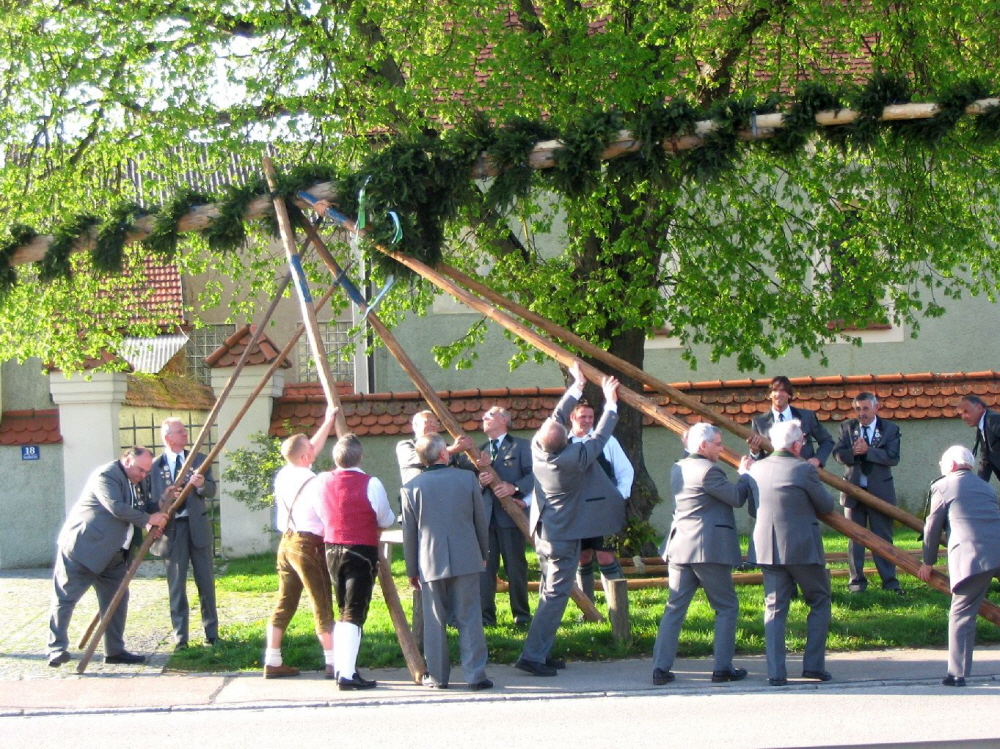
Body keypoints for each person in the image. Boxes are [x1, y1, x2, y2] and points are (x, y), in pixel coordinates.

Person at [515, 361, 624, 677]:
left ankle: (542, 650)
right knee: (555, 596)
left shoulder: (539, 447)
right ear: (565, 441)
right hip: (562, 536)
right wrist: (611, 401)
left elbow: (556, 418)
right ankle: (533, 655)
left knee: (548, 589)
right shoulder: (573, 459)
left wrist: (577, 385)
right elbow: (601, 435)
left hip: (544, 528)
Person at [651, 423, 757, 685]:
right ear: (703, 445)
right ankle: (722, 668)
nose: (721, 449)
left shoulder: (678, 467)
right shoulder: (709, 470)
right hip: (708, 548)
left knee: (674, 607)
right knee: (726, 606)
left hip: (680, 547)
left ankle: (660, 668)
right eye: (718, 444)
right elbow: (735, 497)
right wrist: (745, 474)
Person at [47, 446, 168, 667]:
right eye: (141, 470)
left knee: (117, 601)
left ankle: (114, 651)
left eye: (147, 472)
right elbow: (116, 507)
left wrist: (159, 505)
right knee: (66, 598)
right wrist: (149, 520)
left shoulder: (139, 480)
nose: (143, 475)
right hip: (83, 549)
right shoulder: (105, 475)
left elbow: (143, 508)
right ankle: (56, 648)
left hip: (115, 555)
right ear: (128, 459)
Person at [401, 434, 492, 690]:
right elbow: (479, 521)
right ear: (443, 454)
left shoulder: (410, 488)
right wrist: (483, 553)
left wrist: (411, 569)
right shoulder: (467, 479)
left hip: (429, 560)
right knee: (470, 616)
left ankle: (439, 677)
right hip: (467, 556)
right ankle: (476, 676)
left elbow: (410, 534)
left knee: (435, 621)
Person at [750, 419, 835, 687]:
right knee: (820, 599)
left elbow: (753, 508)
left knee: (774, 608)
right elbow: (826, 504)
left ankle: (775, 672)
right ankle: (813, 666)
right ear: (797, 445)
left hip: (767, 547)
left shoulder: (757, 469)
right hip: (802, 548)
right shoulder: (803, 469)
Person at [263, 405, 339, 679]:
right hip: (308, 544)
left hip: (286, 543)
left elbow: (308, 449)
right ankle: (333, 662)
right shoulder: (313, 480)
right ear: (306, 456)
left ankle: (272, 660)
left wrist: (328, 420)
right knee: (322, 601)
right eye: (310, 449)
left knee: (285, 601)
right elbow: (324, 513)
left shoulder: (284, 474)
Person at [318, 433, 396, 690]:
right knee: (353, 611)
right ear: (360, 456)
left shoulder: (322, 481)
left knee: (343, 609)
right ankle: (347, 675)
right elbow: (385, 518)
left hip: (331, 548)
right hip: (360, 549)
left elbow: (320, 512)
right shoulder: (370, 483)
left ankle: (343, 668)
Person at [917, 446, 1000, 686]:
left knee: (961, 613)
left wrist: (928, 562)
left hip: (973, 556)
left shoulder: (942, 486)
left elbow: (932, 528)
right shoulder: (985, 486)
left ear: (951, 465)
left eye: (943, 463)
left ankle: (957, 674)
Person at [146, 418, 219, 649]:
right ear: (168, 437)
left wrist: (199, 485)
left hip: (197, 526)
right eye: (180, 431)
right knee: (177, 585)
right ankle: (181, 638)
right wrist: (160, 504)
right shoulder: (155, 467)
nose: (185, 434)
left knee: (206, 581)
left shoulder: (197, 459)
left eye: (185, 431)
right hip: (172, 531)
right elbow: (148, 502)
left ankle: (212, 634)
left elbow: (211, 490)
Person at [832, 392, 903, 594]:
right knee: (855, 538)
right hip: (853, 491)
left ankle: (890, 582)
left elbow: (893, 457)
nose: (861, 413)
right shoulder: (847, 427)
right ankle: (856, 583)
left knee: (883, 538)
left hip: (880, 492)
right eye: (858, 409)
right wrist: (853, 452)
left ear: (875, 408)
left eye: (865, 409)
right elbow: (838, 454)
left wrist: (868, 451)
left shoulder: (889, 429)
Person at [568, 398, 634, 603]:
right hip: (576, 512)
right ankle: (589, 608)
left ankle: (618, 607)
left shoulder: (607, 441)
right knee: (583, 557)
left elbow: (626, 471)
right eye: (582, 417)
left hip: (603, 512)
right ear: (572, 417)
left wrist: (618, 497)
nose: (587, 421)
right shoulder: (563, 444)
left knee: (606, 557)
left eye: (591, 417)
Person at [472, 406, 534, 628]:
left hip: (511, 517)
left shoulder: (521, 446)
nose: (484, 418)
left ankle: (522, 615)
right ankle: (486, 617)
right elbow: (470, 484)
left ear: (504, 420)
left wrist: (514, 488)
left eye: (489, 415)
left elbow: (533, 475)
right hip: (486, 520)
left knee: (515, 567)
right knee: (485, 570)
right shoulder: (477, 452)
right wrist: (480, 482)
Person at [746, 376, 834, 468]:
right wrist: (754, 452)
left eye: (783, 390)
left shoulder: (806, 417)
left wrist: (817, 459)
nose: (778, 394)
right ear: (770, 395)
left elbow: (827, 441)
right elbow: (757, 459)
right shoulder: (759, 423)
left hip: (803, 473)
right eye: (775, 390)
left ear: (789, 395)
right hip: (773, 474)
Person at [395, 410, 472, 486]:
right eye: (427, 421)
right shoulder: (406, 446)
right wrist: (453, 449)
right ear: (415, 425)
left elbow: (460, 469)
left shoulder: (447, 447)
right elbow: (424, 457)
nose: (433, 425)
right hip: (419, 494)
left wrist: (477, 460)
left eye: (436, 423)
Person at [956, 395, 1000, 485]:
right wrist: (978, 487)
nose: (964, 417)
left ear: (979, 407)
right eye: (961, 414)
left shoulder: (993, 420)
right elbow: (985, 461)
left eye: (966, 412)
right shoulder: (981, 427)